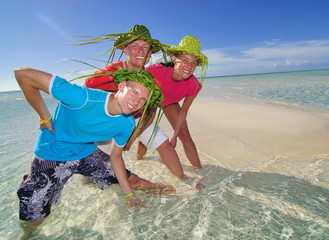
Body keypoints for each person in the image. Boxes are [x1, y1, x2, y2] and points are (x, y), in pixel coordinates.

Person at [14, 67, 174, 226]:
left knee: (132, 180)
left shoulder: (127, 123)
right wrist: (44, 117)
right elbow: (22, 74)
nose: (136, 102)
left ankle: (165, 190)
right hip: (51, 155)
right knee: (35, 219)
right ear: (122, 86)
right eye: (134, 92)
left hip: (86, 152)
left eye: (142, 100)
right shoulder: (81, 97)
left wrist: (128, 195)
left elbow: (116, 156)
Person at [84, 25, 186, 179]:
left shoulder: (153, 81)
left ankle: (185, 180)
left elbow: (151, 112)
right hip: (108, 121)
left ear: (150, 53)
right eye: (134, 46)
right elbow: (82, 96)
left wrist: (130, 139)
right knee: (98, 168)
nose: (141, 51)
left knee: (165, 146)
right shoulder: (108, 74)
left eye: (146, 47)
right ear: (124, 50)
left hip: (138, 118)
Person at [141, 35, 208, 169]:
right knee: (145, 130)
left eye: (194, 63)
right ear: (175, 58)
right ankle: (140, 161)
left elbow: (184, 111)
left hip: (170, 103)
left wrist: (174, 135)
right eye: (185, 60)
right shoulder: (154, 71)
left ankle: (200, 170)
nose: (189, 66)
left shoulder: (194, 85)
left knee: (186, 136)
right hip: (152, 99)